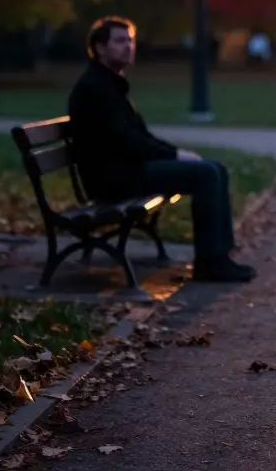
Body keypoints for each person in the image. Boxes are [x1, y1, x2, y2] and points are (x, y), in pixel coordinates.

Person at [67, 16, 256, 283]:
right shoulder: (95, 88)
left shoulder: (111, 84)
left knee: (216, 169)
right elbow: (125, 141)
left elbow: (140, 136)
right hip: (113, 179)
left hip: (127, 169)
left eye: (130, 41)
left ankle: (219, 257)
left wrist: (175, 152)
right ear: (99, 48)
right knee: (205, 175)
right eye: (120, 41)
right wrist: (174, 156)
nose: (128, 46)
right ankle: (210, 263)